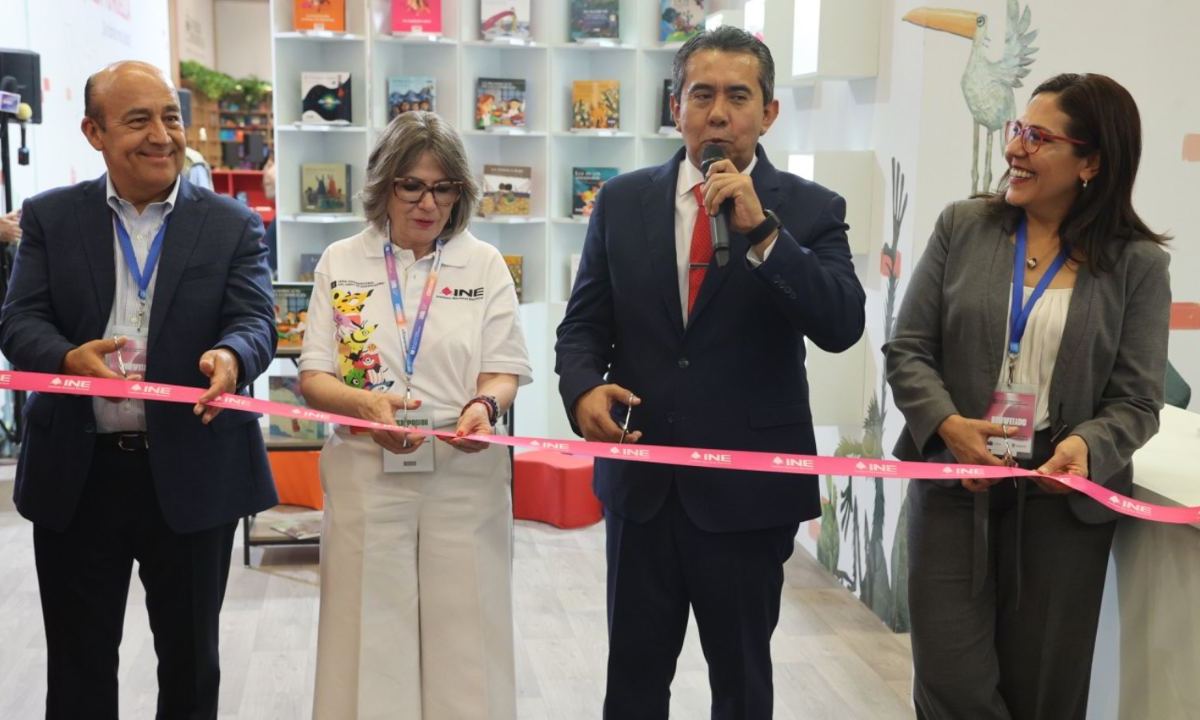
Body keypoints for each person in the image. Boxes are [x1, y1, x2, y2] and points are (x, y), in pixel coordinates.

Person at [555, 26, 866, 719]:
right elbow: (583, 326)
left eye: (737, 96)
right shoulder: (622, 201)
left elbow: (842, 324)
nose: (718, 113)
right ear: (676, 106)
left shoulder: (812, 209)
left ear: (769, 112)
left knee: (743, 685)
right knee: (633, 682)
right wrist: (581, 390)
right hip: (642, 485)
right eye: (702, 95)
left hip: (749, 494)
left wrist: (764, 235)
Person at [884, 73, 1171, 720]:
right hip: (958, 480)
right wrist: (950, 425)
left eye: (1038, 137)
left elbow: (1137, 400)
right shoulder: (965, 227)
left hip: (1061, 502)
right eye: (1017, 129)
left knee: (1045, 693)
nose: (1015, 148)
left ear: (1092, 162)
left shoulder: (1137, 265)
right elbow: (908, 351)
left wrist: (1083, 447)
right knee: (950, 683)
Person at [0, 61, 277, 719]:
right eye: (138, 120)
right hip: (80, 472)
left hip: (193, 471)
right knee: (79, 668)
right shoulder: (50, 219)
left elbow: (254, 320)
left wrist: (232, 359)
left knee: (191, 666)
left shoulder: (231, 224)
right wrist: (68, 356)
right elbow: (19, 320)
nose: (162, 135)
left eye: (170, 117)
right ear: (93, 132)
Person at [298, 110, 531, 720]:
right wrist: (366, 408)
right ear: (385, 186)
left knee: (469, 639)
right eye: (412, 185)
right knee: (367, 638)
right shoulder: (340, 261)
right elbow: (314, 376)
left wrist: (484, 406)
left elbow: (503, 369)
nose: (429, 203)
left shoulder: (484, 266)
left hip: (464, 477)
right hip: (366, 473)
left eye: (444, 187)